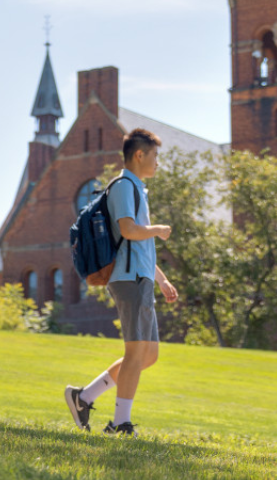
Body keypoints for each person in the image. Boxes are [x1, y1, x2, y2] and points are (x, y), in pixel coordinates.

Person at [63, 128, 180, 436]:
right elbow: (129, 230)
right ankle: (119, 423)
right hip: (128, 279)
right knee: (135, 353)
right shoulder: (124, 186)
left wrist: (163, 280)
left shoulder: (137, 188)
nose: (157, 162)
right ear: (139, 155)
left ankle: (83, 397)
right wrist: (158, 229)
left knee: (148, 355)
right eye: (155, 156)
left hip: (140, 277)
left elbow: (137, 246)